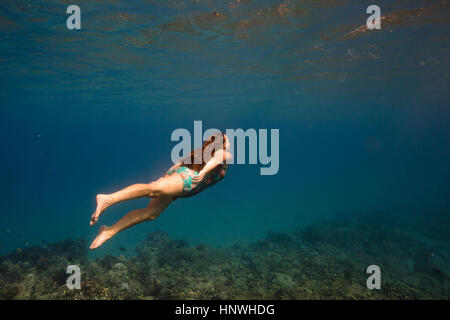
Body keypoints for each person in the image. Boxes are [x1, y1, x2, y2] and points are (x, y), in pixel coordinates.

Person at [89, 132, 231, 249]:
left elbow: (179, 163)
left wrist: (163, 177)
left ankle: (108, 231)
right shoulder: (226, 155)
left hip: (182, 181)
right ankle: (108, 199)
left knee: (150, 214)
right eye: (228, 139)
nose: (230, 142)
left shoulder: (201, 153)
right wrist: (203, 172)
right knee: (153, 190)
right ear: (222, 144)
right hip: (187, 180)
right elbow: (217, 159)